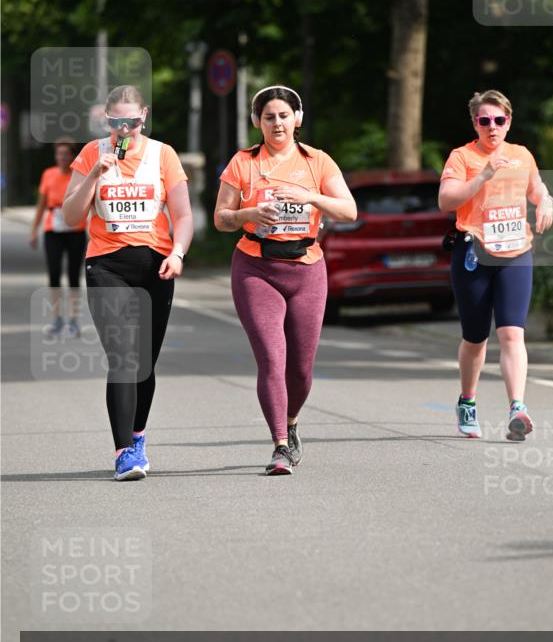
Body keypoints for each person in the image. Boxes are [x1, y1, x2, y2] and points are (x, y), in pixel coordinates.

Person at [214, 84, 357, 475]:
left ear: (298, 119)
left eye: (283, 115)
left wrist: (310, 198)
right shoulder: (243, 163)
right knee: (272, 359)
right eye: (268, 117)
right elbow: (221, 218)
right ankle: (280, 444)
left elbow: (348, 210)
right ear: (256, 122)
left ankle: (291, 421)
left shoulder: (318, 162)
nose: (277, 123)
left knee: (301, 369)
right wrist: (248, 215)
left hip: (308, 268)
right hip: (256, 269)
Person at [62, 85, 193, 481]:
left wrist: (178, 253)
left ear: (144, 116)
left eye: (132, 122)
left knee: (144, 363)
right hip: (107, 266)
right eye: (117, 122)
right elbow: (71, 216)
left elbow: (183, 216)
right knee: (123, 355)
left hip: (155, 266)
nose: (125, 130)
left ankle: (137, 437)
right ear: (107, 119)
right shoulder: (92, 154)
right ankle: (124, 453)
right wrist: (94, 177)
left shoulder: (162, 154)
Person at [438, 89, 553, 441]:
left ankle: (517, 407)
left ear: (509, 122)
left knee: (511, 332)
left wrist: (546, 201)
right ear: (475, 123)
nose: (492, 126)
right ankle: (468, 401)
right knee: (475, 338)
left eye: (499, 120)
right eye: (484, 120)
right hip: (474, 255)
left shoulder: (521, 155)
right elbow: (446, 201)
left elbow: (537, 189)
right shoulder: (462, 157)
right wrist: (482, 176)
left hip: (516, 253)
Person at [30, 139, 88, 337]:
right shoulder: (48, 174)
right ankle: (57, 319)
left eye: (66, 154)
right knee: (54, 274)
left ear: (72, 157)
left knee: (73, 276)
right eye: (59, 154)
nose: (62, 157)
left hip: (76, 231)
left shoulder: (79, 175)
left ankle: (73, 321)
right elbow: (41, 204)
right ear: (55, 156)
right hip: (53, 230)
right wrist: (33, 231)